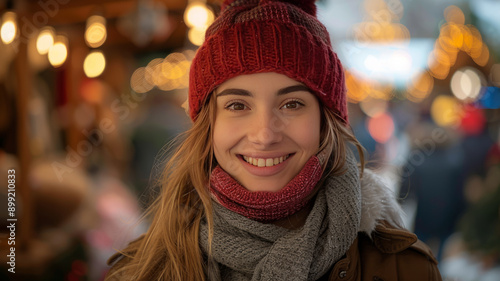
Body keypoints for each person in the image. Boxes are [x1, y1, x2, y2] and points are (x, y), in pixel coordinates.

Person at [105, 0, 442, 280]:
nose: (265, 135)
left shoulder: (406, 269)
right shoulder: (138, 272)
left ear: (326, 122)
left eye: (292, 104)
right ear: (209, 125)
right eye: (238, 105)